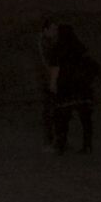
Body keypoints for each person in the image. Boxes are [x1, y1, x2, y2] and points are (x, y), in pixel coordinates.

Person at [52, 23, 98, 154]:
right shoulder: (80, 47)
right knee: (85, 118)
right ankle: (87, 144)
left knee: (63, 117)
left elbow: (55, 68)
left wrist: (53, 84)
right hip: (82, 87)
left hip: (66, 86)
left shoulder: (59, 48)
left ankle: (62, 143)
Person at [38, 18, 60, 149]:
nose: (55, 32)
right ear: (46, 30)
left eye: (56, 29)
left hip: (50, 79)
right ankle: (51, 139)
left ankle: (52, 138)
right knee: (50, 110)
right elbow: (49, 63)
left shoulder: (48, 42)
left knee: (51, 109)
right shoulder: (45, 43)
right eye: (52, 29)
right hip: (49, 79)